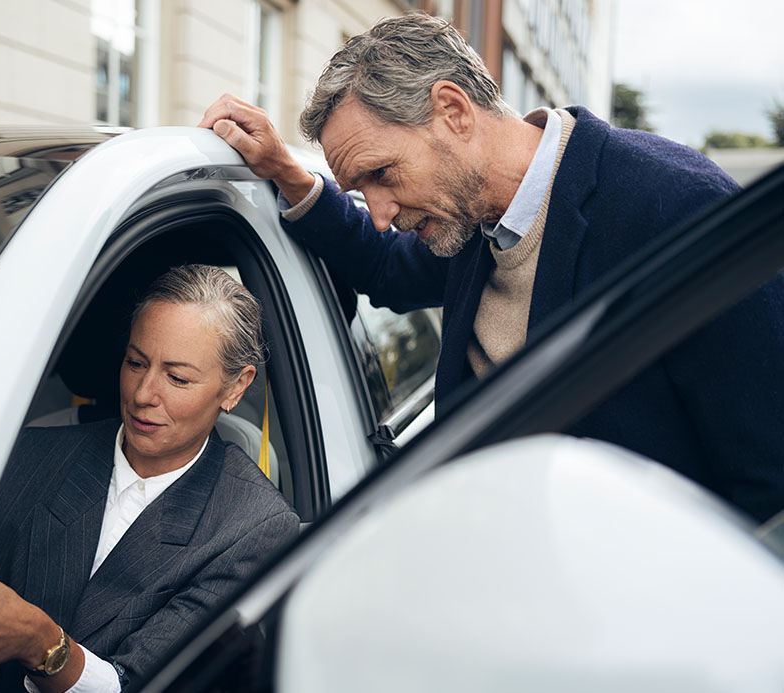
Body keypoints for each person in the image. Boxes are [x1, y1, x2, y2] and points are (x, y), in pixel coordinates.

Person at [199, 13, 784, 522]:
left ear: (453, 110)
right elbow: (385, 268)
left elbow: (767, 481)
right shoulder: (473, 220)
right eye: (360, 188)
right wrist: (288, 173)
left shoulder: (676, 209)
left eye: (381, 175)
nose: (377, 213)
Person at [0, 264, 300, 692]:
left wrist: (41, 641)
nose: (143, 393)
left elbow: (143, 682)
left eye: (177, 377)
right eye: (135, 362)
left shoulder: (251, 527)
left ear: (235, 388)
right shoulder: (26, 455)